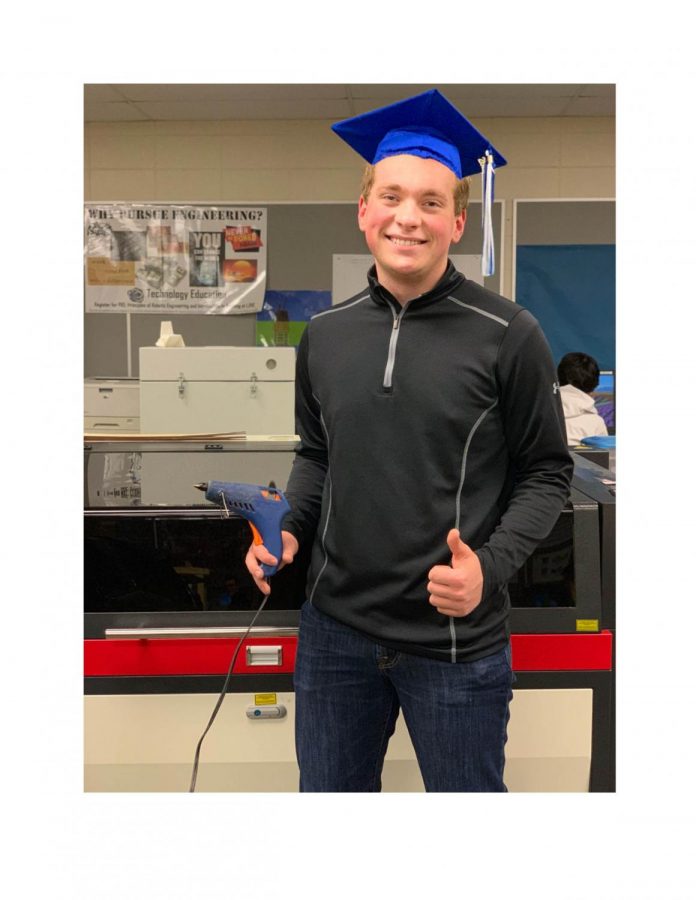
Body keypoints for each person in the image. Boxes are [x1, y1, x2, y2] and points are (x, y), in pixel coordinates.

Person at [245, 89, 573, 792]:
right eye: (392, 196)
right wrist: (290, 530)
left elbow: (546, 472)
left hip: (454, 645)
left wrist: (488, 567)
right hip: (334, 636)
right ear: (364, 211)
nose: (408, 217)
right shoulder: (326, 335)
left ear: (458, 221)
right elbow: (316, 453)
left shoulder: (508, 335)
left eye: (430, 202)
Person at [557, 351, 609, 445]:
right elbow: (604, 457)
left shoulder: (538, 417)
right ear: (594, 386)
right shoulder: (596, 423)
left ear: (557, 378)